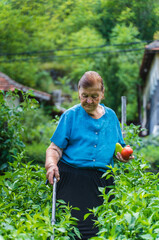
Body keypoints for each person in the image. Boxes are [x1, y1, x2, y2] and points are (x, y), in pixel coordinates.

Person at [45, 71, 133, 240]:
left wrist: (122, 155)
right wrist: (51, 164)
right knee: (71, 231)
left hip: (102, 183)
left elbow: (118, 148)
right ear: (78, 92)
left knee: (101, 232)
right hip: (72, 180)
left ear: (102, 94)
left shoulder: (111, 117)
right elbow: (54, 149)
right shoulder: (70, 116)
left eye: (94, 96)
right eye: (84, 96)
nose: (89, 101)